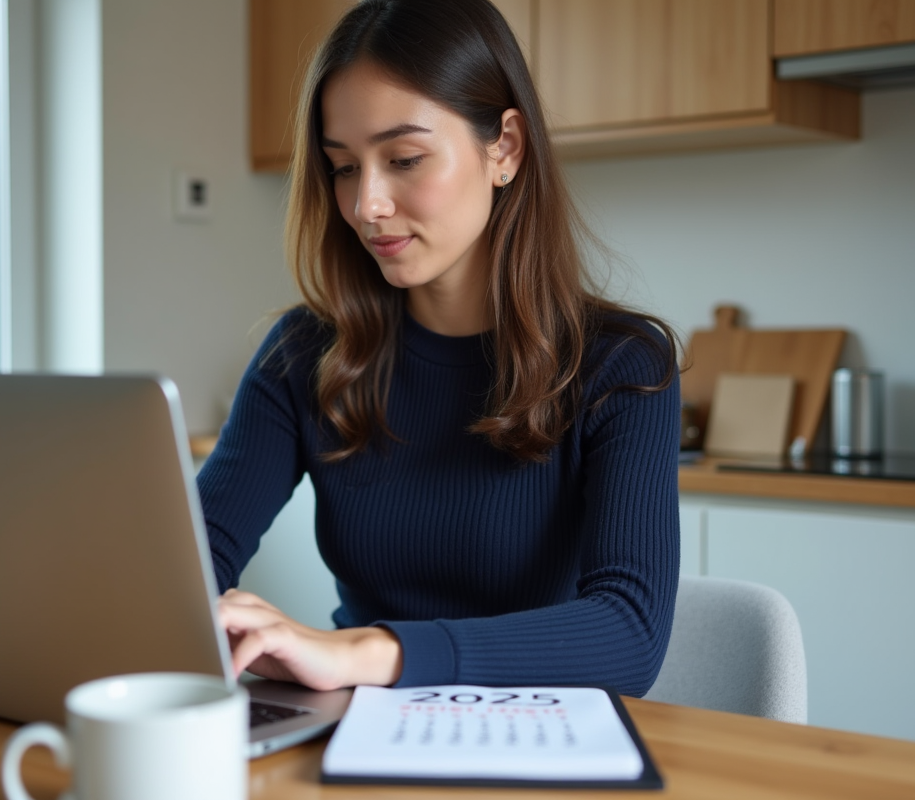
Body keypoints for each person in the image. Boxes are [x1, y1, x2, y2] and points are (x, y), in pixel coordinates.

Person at [199, 0, 680, 695]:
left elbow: (629, 635)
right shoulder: (303, 354)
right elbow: (192, 561)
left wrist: (366, 653)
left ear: (504, 148)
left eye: (404, 159)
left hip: (535, 732)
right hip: (352, 726)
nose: (366, 204)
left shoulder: (621, 365)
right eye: (343, 167)